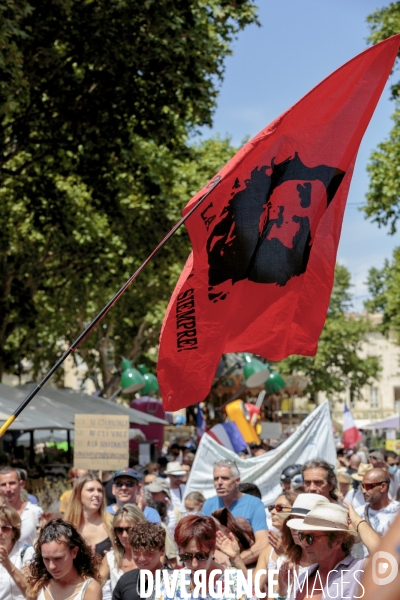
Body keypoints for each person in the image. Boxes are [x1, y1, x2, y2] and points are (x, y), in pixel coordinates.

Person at [278, 500, 380, 599]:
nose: (304, 543)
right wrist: (282, 591)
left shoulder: (357, 571)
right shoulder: (303, 578)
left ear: (337, 541)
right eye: (302, 536)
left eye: (310, 538)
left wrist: (358, 522)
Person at [166, 515, 254, 599]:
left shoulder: (235, 581)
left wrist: (237, 559)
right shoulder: (172, 582)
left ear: (213, 549)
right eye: (186, 556)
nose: (194, 564)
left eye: (201, 556)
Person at [202, 459, 268, 563]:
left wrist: (233, 562)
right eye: (216, 479)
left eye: (225, 478)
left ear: (237, 481)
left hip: (246, 567)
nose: (219, 483)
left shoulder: (254, 504)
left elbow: (263, 543)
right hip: (216, 567)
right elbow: (202, 542)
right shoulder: (209, 504)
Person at [26, 519, 102, 600]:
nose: (51, 566)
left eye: (58, 558)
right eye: (46, 559)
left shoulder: (90, 589)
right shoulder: (38, 585)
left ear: (74, 552)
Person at [253, 490, 297, 594]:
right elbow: (253, 589)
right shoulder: (269, 549)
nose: (272, 512)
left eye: (279, 508)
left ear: (295, 513)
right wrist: (236, 558)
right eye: (272, 507)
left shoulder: (306, 547)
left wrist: (285, 555)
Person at [112, 521, 166, 600]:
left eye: (148, 553)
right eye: (136, 552)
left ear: (162, 551)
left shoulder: (177, 582)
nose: (142, 558)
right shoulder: (125, 581)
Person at [64, 473, 112, 557]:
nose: (97, 494)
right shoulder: (66, 528)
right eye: (90, 490)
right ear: (78, 494)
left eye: (100, 490)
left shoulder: (113, 524)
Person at [99, 504, 145, 593]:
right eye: (119, 530)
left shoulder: (152, 555)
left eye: (130, 529)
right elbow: (95, 586)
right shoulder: (110, 558)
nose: (124, 535)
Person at [355, 467, 400, 556]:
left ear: (383, 487)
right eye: (362, 486)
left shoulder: (397, 512)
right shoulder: (357, 514)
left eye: (368, 486)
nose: (363, 491)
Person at [0, 467, 43, 545]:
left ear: (21, 484)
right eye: (3, 484)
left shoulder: (35, 512)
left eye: (12, 483)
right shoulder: (0, 513)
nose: (8, 488)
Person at [0, 504, 34, 600]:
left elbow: (31, 592)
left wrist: (7, 564)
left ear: (14, 532)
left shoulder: (26, 552)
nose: (0, 532)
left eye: (5, 528)